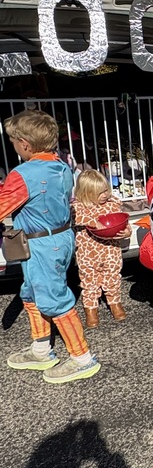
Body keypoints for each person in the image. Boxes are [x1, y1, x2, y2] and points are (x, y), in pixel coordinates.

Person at [1, 110, 99, 384]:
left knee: (54, 299)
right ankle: (41, 349)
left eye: (13, 142)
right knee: (31, 292)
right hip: (60, 238)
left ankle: (82, 358)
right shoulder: (62, 166)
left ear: (25, 144)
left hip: (40, 244)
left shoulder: (22, 174)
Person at [73, 170, 129, 328]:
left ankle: (115, 303)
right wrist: (92, 221)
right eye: (100, 193)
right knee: (89, 281)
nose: (105, 195)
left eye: (106, 190)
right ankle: (91, 310)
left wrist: (127, 231)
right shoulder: (79, 207)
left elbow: (122, 220)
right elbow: (75, 217)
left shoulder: (112, 204)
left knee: (113, 277)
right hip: (88, 253)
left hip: (111, 250)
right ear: (86, 194)